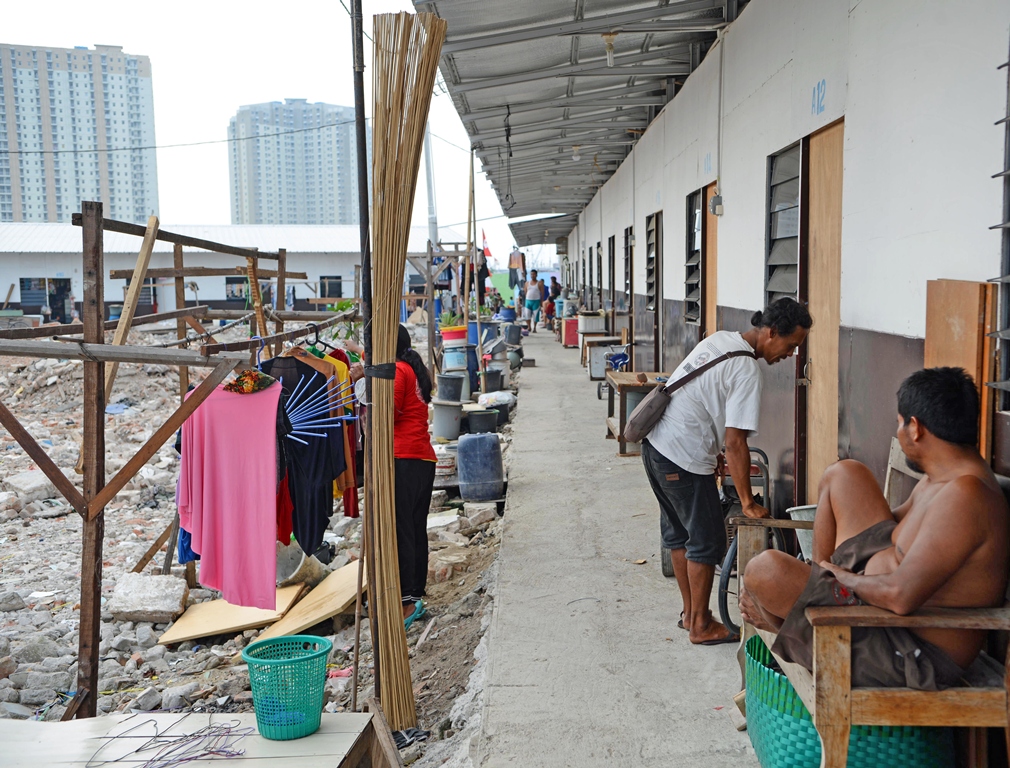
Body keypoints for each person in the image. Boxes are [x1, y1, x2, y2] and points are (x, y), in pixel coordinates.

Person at [741, 367, 1009, 689]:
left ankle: (783, 621)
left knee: (765, 571)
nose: (898, 431)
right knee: (844, 474)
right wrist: (829, 572)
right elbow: (893, 529)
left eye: (899, 422)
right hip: (874, 605)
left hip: (906, 648)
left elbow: (900, 596)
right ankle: (803, 601)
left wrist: (838, 577)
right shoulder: (942, 477)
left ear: (915, 428)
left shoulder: (967, 496)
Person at [642, 298, 811, 645]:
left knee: (679, 535)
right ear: (772, 332)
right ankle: (701, 625)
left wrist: (714, 448)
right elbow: (736, 443)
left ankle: (690, 615)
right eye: (791, 344)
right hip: (683, 457)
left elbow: (702, 399)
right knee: (706, 541)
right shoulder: (747, 370)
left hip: (656, 445)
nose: (791, 354)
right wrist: (748, 502)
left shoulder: (721, 339)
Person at [348, 326, 436, 627]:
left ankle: (406, 603)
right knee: (414, 528)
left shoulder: (398, 371)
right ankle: (414, 594)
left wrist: (363, 381)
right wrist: (362, 359)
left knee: (402, 531)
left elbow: (389, 411)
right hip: (421, 459)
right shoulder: (411, 368)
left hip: (404, 459)